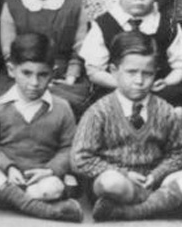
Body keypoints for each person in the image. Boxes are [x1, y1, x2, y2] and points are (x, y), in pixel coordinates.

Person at [0, 33, 82, 222]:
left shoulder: (61, 108)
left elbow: (69, 148)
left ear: (53, 73)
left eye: (43, 75)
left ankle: (8, 200)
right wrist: (8, 167)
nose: (34, 83)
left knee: (53, 187)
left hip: (39, 180)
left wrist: (50, 170)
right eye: (26, 73)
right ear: (11, 70)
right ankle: (38, 208)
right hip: (6, 176)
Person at [73, 31, 182, 221]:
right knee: (110, 183)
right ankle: (161, 203)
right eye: (131, 72)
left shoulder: (164, 111)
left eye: (147, 73)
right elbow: (80, 158)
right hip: (117, 183)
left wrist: (156, 175)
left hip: (153, 181)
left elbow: (177, 153)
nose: (139, 81)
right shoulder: (99, 111)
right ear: (114, 71)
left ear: (155, 72)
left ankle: (130, 211)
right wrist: (124, 174)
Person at [79, 0, 182, 105]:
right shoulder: (104, 24)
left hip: (158, 92)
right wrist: (122, 86)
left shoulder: (167, 25)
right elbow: (94, 71)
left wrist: (167, 82)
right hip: (115, 91)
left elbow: (180, 65)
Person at [0, 0, 89, 111]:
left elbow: (80, 49)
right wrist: (30, 78)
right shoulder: (13, 5)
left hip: (62, 78)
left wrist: (71, 76)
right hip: (22, 76)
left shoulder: (74, 6)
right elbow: (8, 51)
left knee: (63, 104)